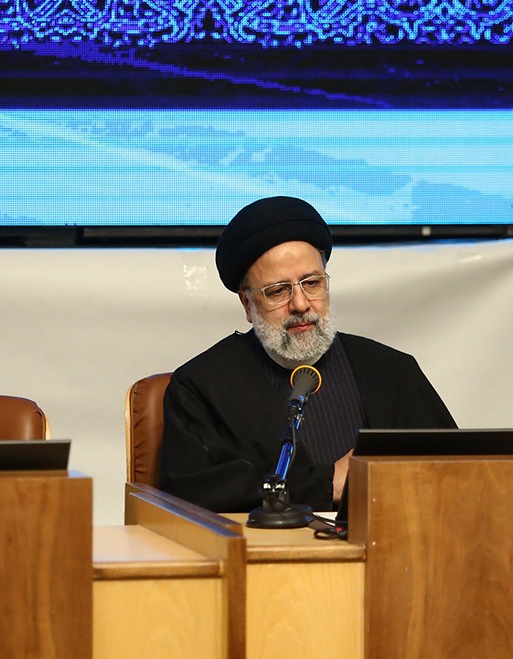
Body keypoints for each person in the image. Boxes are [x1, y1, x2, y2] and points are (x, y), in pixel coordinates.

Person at [158, 196, 456, 512]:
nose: (300, 304)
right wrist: (327, 484)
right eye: (278, 291)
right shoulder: (201, 387)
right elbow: (190, 497)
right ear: (247, 304)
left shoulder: (391, 371)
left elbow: (456, 474)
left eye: (312, 283)